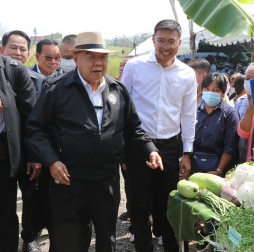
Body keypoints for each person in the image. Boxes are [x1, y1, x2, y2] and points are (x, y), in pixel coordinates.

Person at [25, 31, 163, 252]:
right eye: (91, 56)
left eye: (103, 57)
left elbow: (133, 128)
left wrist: (150, 149)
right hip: (69, 179)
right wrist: (51, 160)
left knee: (106, 237)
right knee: (68, 240)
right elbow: (35, 128)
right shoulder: (57, 89)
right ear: (76, 58)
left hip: (106, 179)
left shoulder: (117, 90)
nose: (98, 63)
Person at [120, 19, 197, 252]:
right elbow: (122, 107)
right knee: (138, 203)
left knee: (169, 202)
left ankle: (171, 247)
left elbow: (188, 115)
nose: (166, 46)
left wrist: (187, 152)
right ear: (153, 41)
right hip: (138, 146)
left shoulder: (187, 74)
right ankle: (143, 246)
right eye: (161, 41)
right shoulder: (135, 66)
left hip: (170, 147)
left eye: (171, 42)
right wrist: (122, 149)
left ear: (179, 43)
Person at [1, 30, 46, 252]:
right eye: (13, 48)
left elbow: (32, 118)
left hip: (17, 148)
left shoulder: (19, 72)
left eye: (22, 49)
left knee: (25, 197)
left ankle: (28, 236)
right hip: (5, 146)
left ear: (29, 53)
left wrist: (34, 154)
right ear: (2, 49)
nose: (18, 53)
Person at [0, 53, 36, 251]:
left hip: (5, 152)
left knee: (5, 212)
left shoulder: (14, 70)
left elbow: (31, 116)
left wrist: (33, 155)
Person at [192, 73, 239, 175]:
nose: (210, 92)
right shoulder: (193, 111)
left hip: (218, 171)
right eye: (207, 89)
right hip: (192, 169)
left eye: (215, 90)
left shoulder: (230, 114)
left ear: (222, 93)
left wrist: (218, 171)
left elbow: (230, 146)